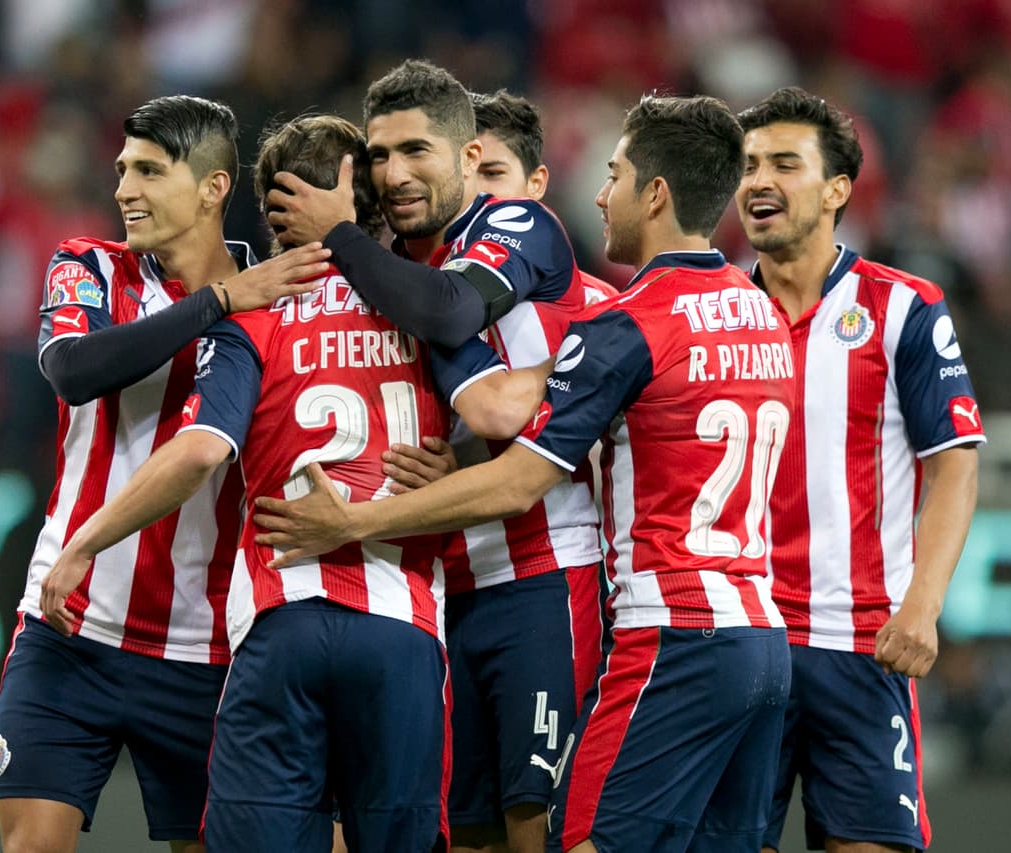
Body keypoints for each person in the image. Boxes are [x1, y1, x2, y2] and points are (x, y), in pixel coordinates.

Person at [255, 93, 795, 853]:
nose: (599, 195)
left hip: (601, 599)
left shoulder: (542, 253)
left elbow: (503, 422)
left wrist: (354, 520)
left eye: (613, 175)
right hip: (735, 620)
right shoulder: (756, 308)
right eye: (380, 157)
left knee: (552, 831)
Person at [266, 60, 605, 853]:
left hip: (545, 576)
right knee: (471, 832)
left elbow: (453, 314)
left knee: (539, 827)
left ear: (466, 154)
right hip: (447, 583)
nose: (395, 173)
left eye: (416, 150)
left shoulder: (516, 223)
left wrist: (341, 235)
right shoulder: (393, 271)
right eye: (379, 156)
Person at [0, 95, 331, 853]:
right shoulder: (88, 265)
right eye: (121, 169)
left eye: (149, 169)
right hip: (66, 627)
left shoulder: (278, 291)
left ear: (213, 187)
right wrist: (217, 302)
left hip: (204, 649)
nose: (124, 189)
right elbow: (73, 371)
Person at [735, 87, 985, 853]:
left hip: (860, 643)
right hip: (738, 641)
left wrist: (923, 604)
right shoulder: (710, 308)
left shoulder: (905, 308)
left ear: (837, 189)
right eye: (748, 166)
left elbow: (954, 466)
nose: (758, 182)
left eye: (784, 162)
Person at [470, 89, 618, 305]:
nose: (475, 191)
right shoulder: (417, 285)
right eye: (463, 175)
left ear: (536, 183)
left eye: (493, 174)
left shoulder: (597, 303)